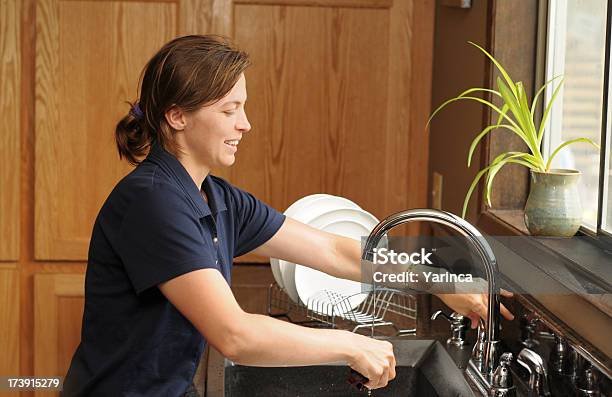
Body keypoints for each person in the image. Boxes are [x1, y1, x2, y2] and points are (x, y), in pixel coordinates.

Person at [61, 35, 514, 397]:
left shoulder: (213, 197)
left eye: (243, 107)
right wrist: (351, 345)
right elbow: (235, 335)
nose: (246, 124)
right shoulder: (152, 202)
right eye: (229, 110)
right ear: (177, 116)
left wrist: (438, 281)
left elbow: (329, 248)